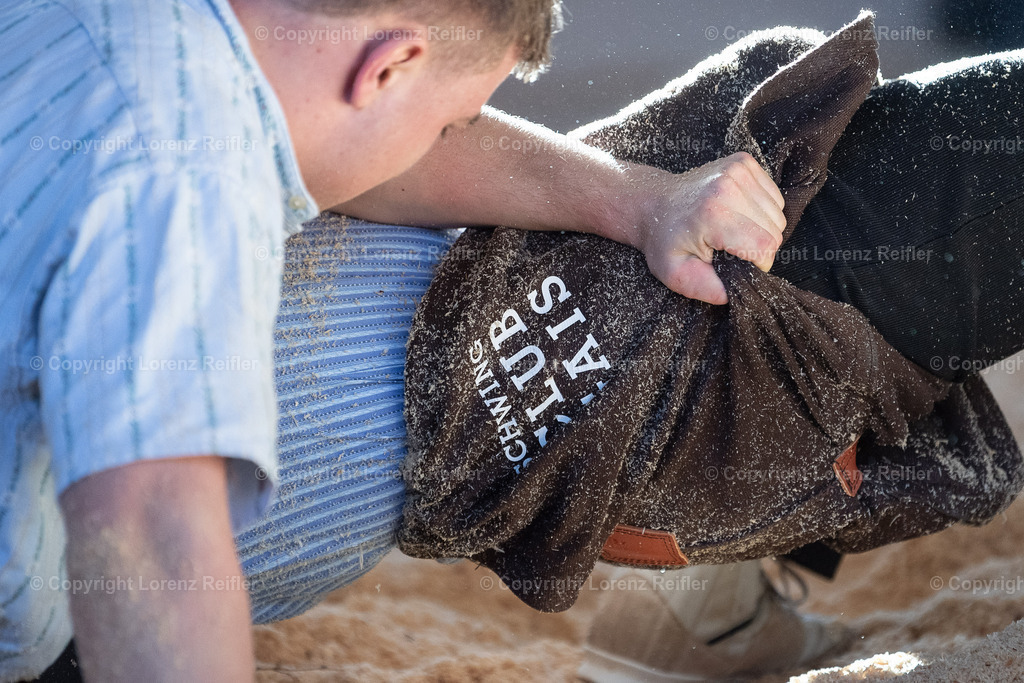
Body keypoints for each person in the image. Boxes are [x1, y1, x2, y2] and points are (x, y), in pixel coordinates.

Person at [0, 0, 789, 680]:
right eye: (449, 121)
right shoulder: (187, 180)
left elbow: (352, 138)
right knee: (436, 313)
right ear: (388, 66)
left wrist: (635, 197)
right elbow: (148, 532)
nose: (440, 138)